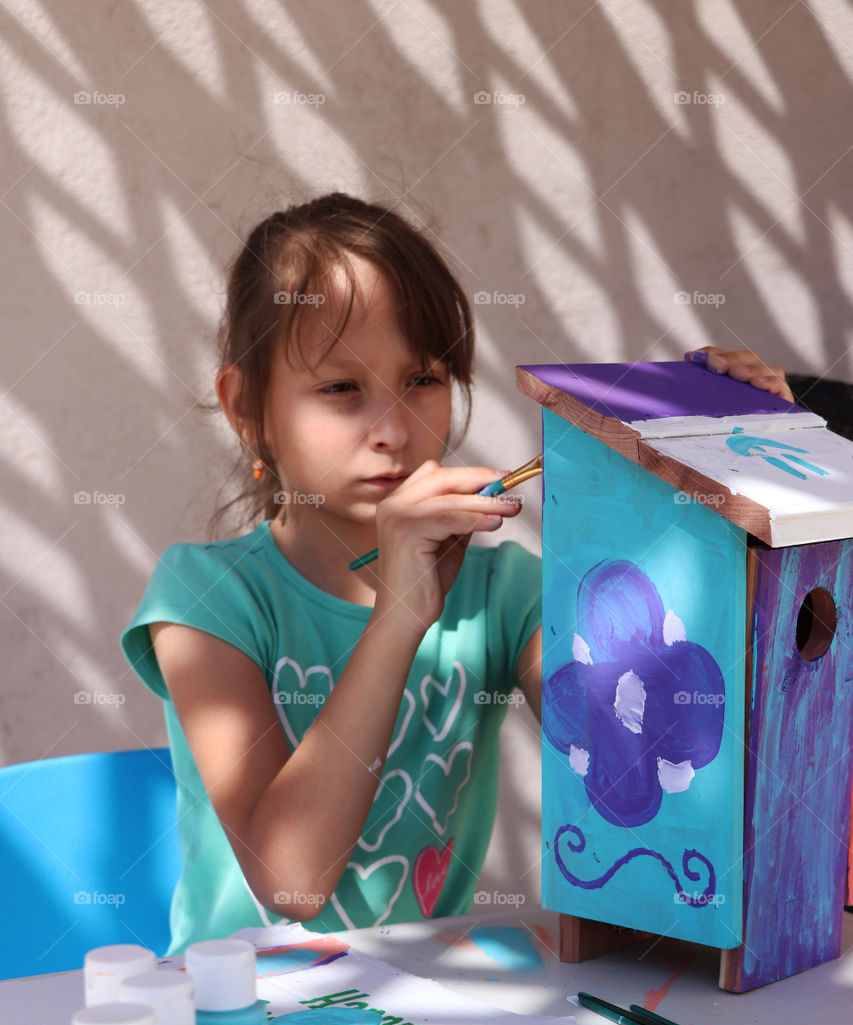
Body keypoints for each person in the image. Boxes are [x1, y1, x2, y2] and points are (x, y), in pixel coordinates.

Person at [121, 192, 793, 953]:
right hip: (240, 1020)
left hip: (428, 1018)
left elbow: (662, 780)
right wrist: (400, 616)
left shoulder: (502, 594)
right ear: (247, 409)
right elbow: (292, 883)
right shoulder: (206, 599)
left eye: (423, 378)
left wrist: (725, 472)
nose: (394, 430)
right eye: (341, 388)